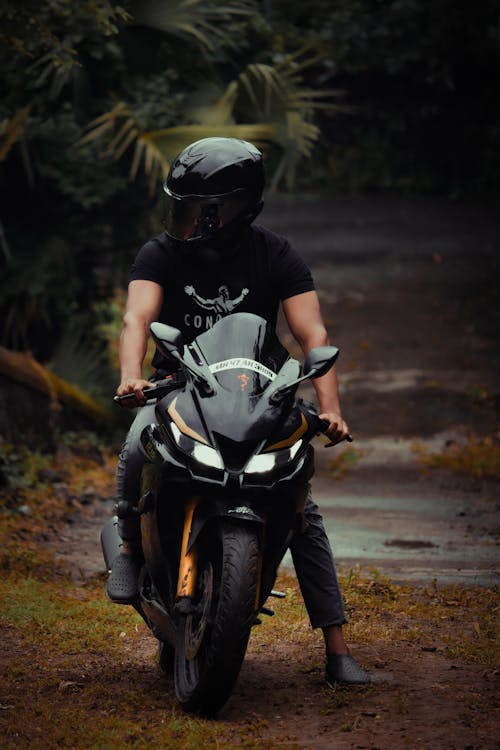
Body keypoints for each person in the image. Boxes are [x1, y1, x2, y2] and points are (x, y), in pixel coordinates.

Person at [107, 137, 370, 687]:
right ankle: (129, 544)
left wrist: (331, 410)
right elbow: (137, 318)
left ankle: (338, 647)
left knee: (302, 507)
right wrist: (133, 377)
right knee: (137, 443)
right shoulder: (160, 253)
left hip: (261, 397)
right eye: (179, 205)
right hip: (177, 388)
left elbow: (312, 334)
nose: (184, 218)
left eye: (198, 209)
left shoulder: (275, 254)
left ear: (234, 208)